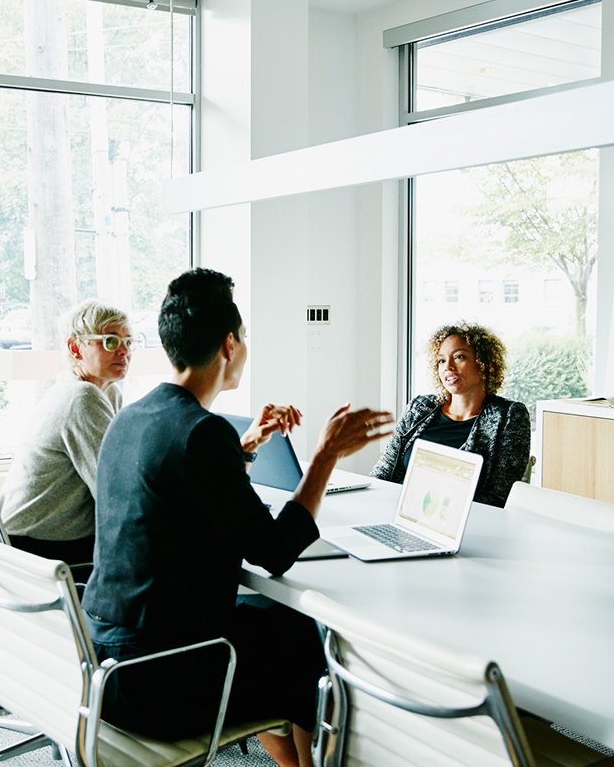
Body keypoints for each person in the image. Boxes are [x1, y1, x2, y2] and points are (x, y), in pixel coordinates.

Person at [82, 268, 394, 767]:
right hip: (158, 678)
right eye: (244, 338)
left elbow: (190, 493)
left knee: (278, 627)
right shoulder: (202, 432)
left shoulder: (134, 415)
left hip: (103, 663)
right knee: (302, 637)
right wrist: (324, 457)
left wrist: (245, 447)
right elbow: (275, 551)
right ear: (230, 345)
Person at [0, 299, 134, 573]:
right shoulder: (82, 397)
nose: (123, 351)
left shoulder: (104, 392)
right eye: (109, 341)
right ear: (75, 347)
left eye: (129, 342)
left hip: (28, 536)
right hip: (37, 547)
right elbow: (114, 490)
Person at [371, 322, 531, 508]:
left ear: (484, 364)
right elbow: (383, 472)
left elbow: (499, 496)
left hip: (463, 527)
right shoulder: (420, 408)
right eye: (441, 361)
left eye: (459, 357)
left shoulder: (509, 416)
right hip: (397, 511)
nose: (448, 367)